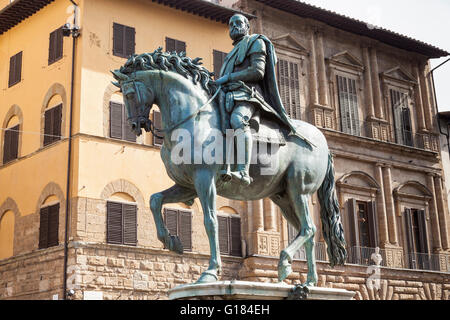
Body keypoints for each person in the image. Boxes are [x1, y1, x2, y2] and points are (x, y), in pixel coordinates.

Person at [214, 14, 314, 186]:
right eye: (231, 24)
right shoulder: (230, 55)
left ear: (247, 26)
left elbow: (257, 71)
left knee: (238, 120)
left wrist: (228, 77)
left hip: (248, 95)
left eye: (239, 23)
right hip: (228, 95)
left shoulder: (256, 42)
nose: (234, 27)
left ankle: (243, 171)